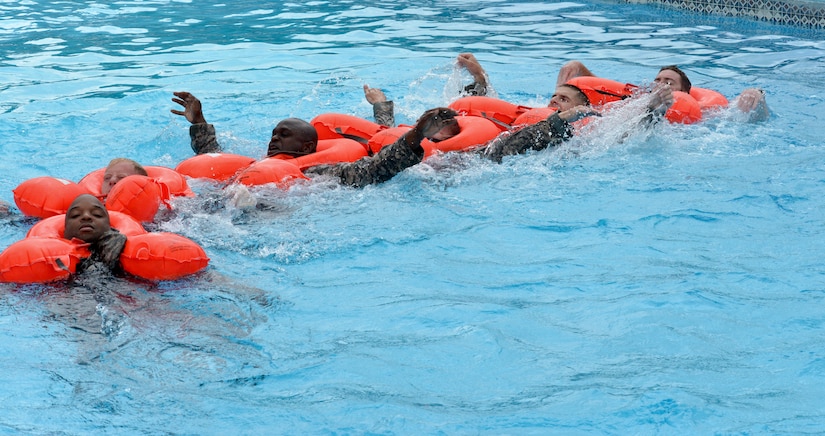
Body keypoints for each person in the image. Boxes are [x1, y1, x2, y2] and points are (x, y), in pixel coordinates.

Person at [171, 91, 461, 188]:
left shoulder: (319, 171)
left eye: (284, 136)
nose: (274, 139)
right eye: (273, 134)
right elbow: (212, 160)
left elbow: (375, 170)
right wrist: (199, 122)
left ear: (307, 148)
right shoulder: (257, 164)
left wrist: (417, 134)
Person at [556, 60, 770, 122]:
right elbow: (599, 90)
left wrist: (756, 93)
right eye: (658, 80)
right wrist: (578, 69)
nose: (661, 85)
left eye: (669, 82)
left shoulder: (705, 112)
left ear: (685, 92)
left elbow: (746, 115)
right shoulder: (632, 101)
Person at [64, 194, 127, 274]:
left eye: (97, 214)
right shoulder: (54, 252)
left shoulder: (119, 244)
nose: (86, 216)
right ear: (64, 231)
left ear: (109, 226)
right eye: (75, 215)